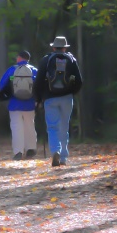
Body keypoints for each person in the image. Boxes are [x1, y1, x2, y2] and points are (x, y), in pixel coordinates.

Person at [33, 36, 83, 167]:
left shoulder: (46, 60)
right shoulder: (71, 60)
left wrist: (38, 99)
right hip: (67, 98)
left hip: (50, 98)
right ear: (65, 47)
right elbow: (79, 81)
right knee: (64, 127)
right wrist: (72, 92)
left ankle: (55, 150)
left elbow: (38, 82)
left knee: (52, 127)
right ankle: (64, 158)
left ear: (54, 47)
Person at [0, 50, 38, 160]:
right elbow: (40, 86)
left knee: (16, 127)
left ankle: (18, 151)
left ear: (19, 58)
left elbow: (2, 85)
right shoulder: (34, 70)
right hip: (30, 104)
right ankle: (31, 148)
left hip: (14, 104)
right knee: (30, 125)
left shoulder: (12, 70)